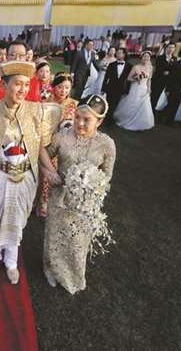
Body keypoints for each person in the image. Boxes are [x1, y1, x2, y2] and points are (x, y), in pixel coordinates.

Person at [0, 60, 61, 284]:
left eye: (26, 85)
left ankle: (11, 263)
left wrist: (52, 173)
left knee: (16, 223)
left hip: (24, 179)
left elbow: (40, 150)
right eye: (17, 84)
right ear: (4, 85)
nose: (23, 90)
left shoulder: (36, 112)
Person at [39, 94, 116, 294]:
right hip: (59, 197)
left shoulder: (107, 145)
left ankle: (73, 273)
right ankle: (51, 269)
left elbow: (107, 175)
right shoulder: (61, 137)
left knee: (77, 241)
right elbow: (43, 156)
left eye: (87, 120)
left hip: (85, 203)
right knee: (56, 235)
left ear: (100, 121)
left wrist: (92, 188)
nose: (80, 124)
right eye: (77, 118)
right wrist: (50, 173)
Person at [37, 72, 78, 217]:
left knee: (62, 173)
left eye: (67, 88)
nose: (63, 91)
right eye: (60, 87)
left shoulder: (74, 105)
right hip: (46, 143)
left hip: (65, 144)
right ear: (54, 87)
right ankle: (41, 202)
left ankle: (54, 202)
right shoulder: (45, 102)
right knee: (46, 172)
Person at [114, 51, 154, 131]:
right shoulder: (136, 67)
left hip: (144, 88)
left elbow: (149, 79)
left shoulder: (150, 67)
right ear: (141, 57)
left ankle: (141, 123)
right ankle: (126, 119)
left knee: (144, 106)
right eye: (144, 56)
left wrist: (149, 88)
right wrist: (136, 78)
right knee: (133, 104)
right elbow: (129, 78)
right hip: (136, 88)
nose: (146, 58)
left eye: (148, 57)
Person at [101, 48, 131, 126]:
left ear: (124, 54)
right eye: (117, 53)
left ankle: (109, 120)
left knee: (114, 104)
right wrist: (103, 88)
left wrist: (127, 90)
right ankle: (108, 120)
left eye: (120, 53)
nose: (117, 54)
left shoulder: (129, 66)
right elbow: (106, 77)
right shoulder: (112, 65)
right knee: (108, 104)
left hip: (120, 89)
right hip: (110, 87)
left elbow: (128, 80)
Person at [151, 43, 176, 109]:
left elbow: (174, 70)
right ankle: (152, 109)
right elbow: (158, 68)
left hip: (168, 81)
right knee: (155, 96)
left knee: (164, 97)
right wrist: (163, 72)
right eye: (169, 47)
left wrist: (170, 72)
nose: (171, 49)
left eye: (173, 48)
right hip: (159, 80)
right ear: (166, 48)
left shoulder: (175, 58)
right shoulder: (160, 57)